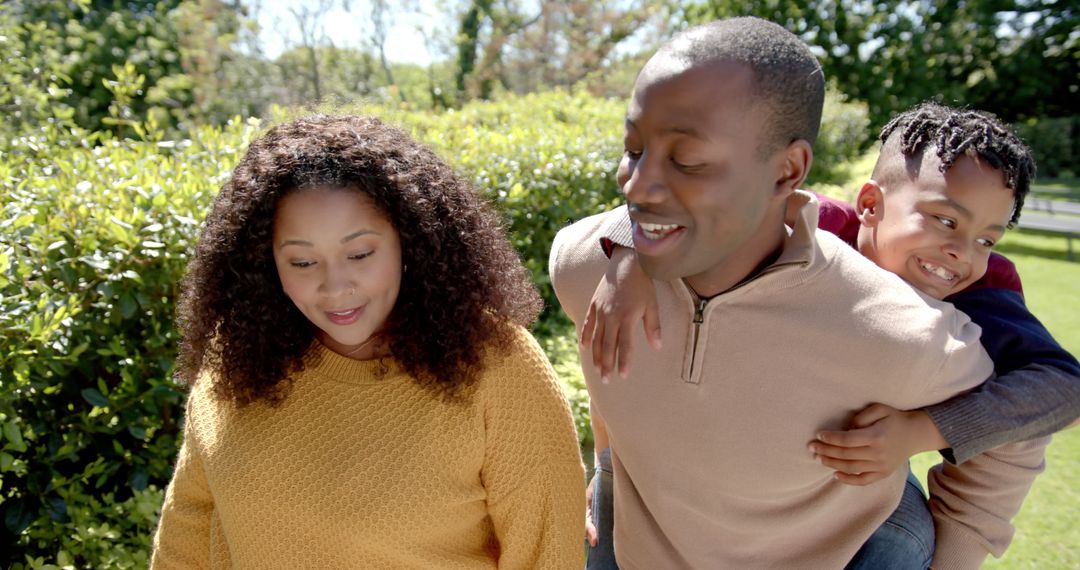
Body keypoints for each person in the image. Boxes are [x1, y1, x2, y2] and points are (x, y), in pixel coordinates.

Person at [548, 17, 1047, 569]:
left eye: (687, 160)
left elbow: (1027, 419)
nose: (637, 185)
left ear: (788, 170)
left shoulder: (906, 330)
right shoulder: (585, 265)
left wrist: (953, 553)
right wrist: (607, 469)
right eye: (634, 149)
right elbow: (611, 369)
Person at [151, 115, 585, 568]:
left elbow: (548, 553)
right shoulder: (237, 357)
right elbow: (189, 528)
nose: (336, 286)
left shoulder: (497, 364)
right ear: (266, 263)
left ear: (411, 240)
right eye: (302, 262)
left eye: (360, 254)